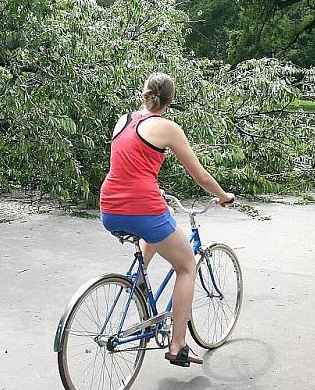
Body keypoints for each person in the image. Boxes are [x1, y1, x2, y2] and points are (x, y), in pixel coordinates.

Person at [99, 72, 235, 366]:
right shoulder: (168, 127)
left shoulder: (123, 120)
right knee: (186, 266)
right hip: (141, 206)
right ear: (170, 101)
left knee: (164, 216)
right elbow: (199, 175)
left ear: (145, 94)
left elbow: (128, 165)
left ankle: (139, 278)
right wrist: (223, 195)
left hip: (109, 206)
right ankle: (178, 345)